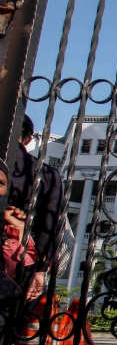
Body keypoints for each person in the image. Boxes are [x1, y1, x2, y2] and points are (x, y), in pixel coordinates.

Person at [7, 115, 64, 302]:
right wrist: (40, 269)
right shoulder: (47, 175)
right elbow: (48, 226)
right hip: (18, 256)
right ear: (29, 139)